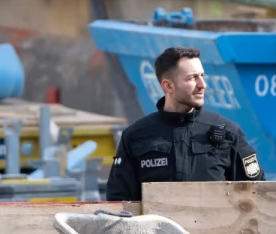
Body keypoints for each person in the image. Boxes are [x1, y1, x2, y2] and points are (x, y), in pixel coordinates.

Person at [106, 45, 264, 201]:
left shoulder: (229, 132)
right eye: (192, 78)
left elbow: (256, 193)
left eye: (202, 75)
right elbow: (119, 202)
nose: (202, 84)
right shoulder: (135, 136)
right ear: (168, 86)